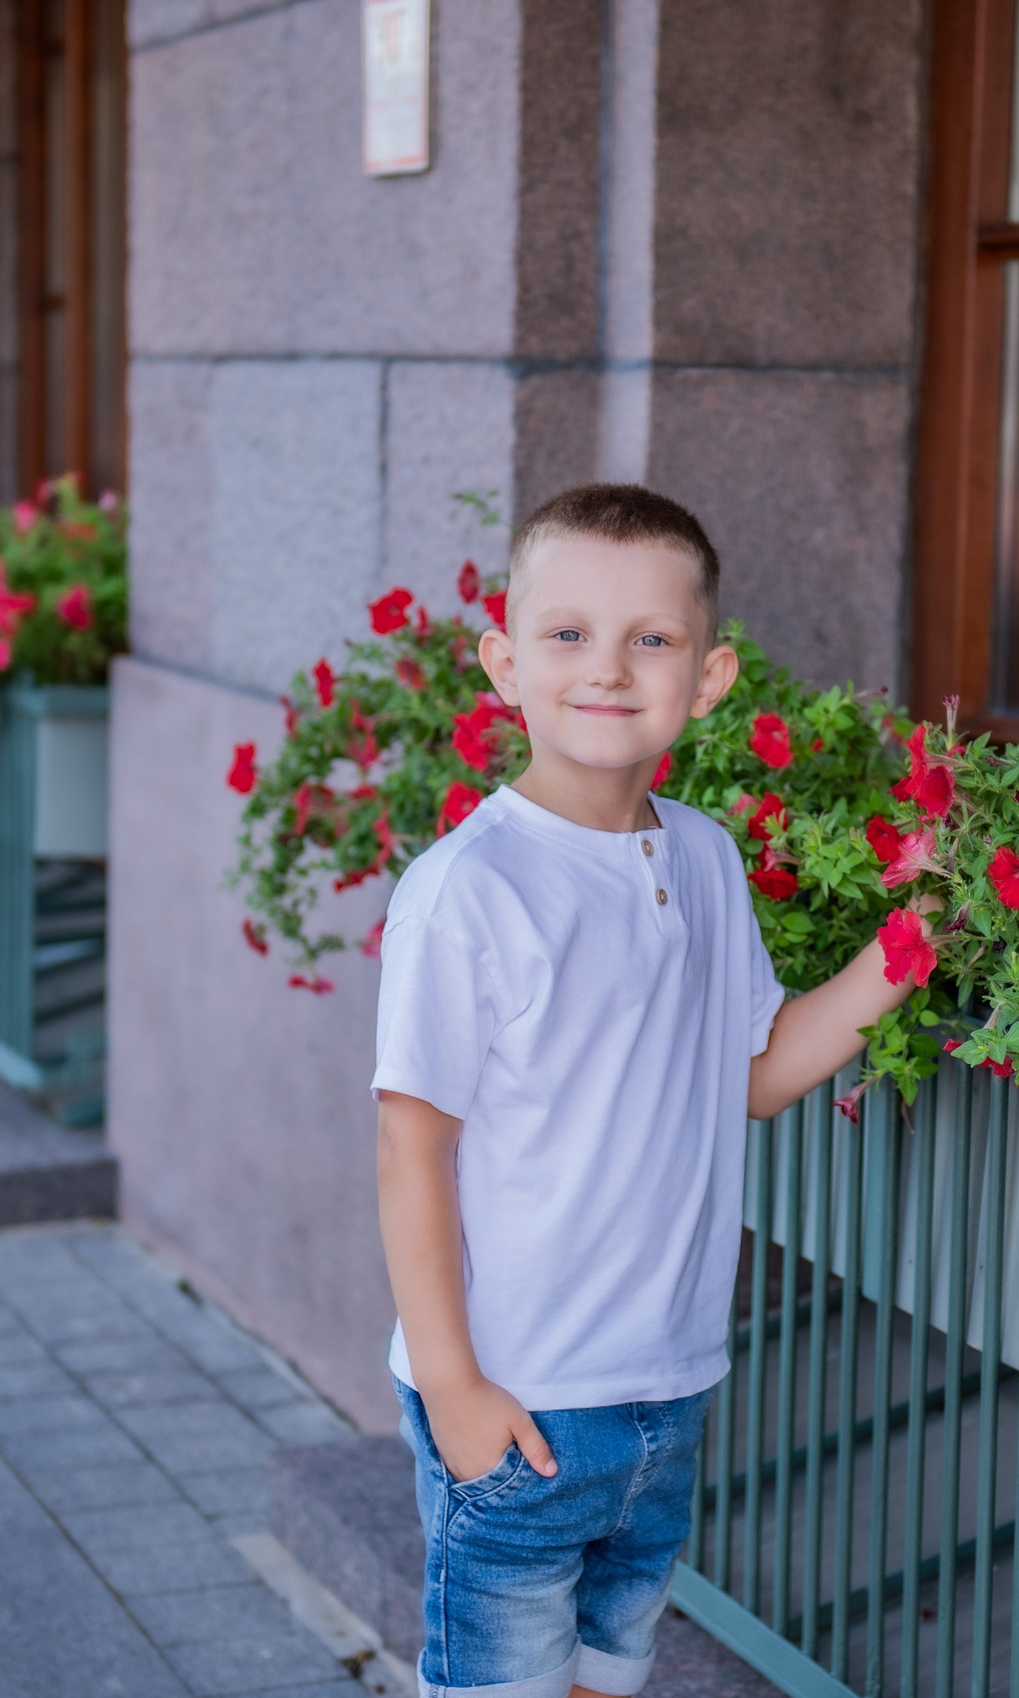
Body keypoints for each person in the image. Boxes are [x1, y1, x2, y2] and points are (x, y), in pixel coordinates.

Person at [372, 483, 925, 1698]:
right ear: (503, 664)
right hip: (518, 1405)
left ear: (709, 676)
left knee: (603, 1681)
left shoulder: (705, 856)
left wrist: (917, 931)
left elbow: (757, 1072)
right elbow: (410, 1149)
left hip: (666, 1387)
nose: (608, 668)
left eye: (651, 639)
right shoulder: (472, 888)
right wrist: (456, 1387)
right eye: (567, 635)